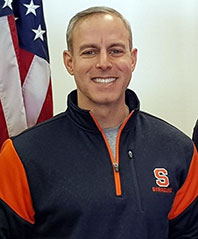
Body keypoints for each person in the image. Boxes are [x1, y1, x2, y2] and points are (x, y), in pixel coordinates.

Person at [0, 6, 197, 239]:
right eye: (89, 52)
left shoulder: (179, 150)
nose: (104, 63)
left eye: (115, 51)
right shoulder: (22, 155)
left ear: (132, 59)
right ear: (69, 61)